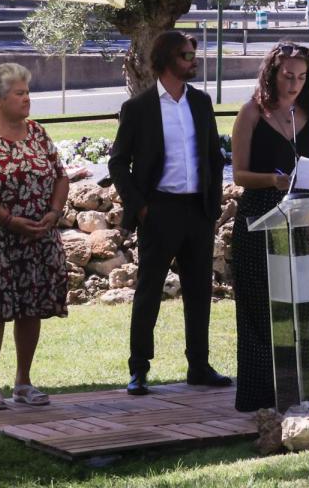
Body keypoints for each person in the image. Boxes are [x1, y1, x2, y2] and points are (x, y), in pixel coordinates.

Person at [107, 30, 232, 395]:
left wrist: (213, 203)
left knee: (199, 291)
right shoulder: (139, 108)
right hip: (159, 210)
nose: (194, 61)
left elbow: (213, 157)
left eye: (193, 54)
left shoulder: (201, 102)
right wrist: (141, 207)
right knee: (149, 292)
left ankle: (199, 366)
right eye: (186, 56)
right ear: (165, 60)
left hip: (198, 211)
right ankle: (139, 369)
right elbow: (118, 163)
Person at [0, 63, 69, 410]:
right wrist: (8, 220)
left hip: (38, 236)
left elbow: (60, 176)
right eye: (20, 93)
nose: (27, 99)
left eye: (27, 92)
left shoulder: (37, 133)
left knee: (30, 306)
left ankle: (23, 381)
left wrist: (53, 213)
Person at [230, 41, 309, 412]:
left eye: (301, 77)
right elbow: (239, 174)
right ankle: (259, 398)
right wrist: (273, 180)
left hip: (304, 220)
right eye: (287, 76)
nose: (294, 84)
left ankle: (303, 394)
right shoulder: (251, 113)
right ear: (272, 74)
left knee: (304, 311)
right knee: (261, 310)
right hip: (260, 219)